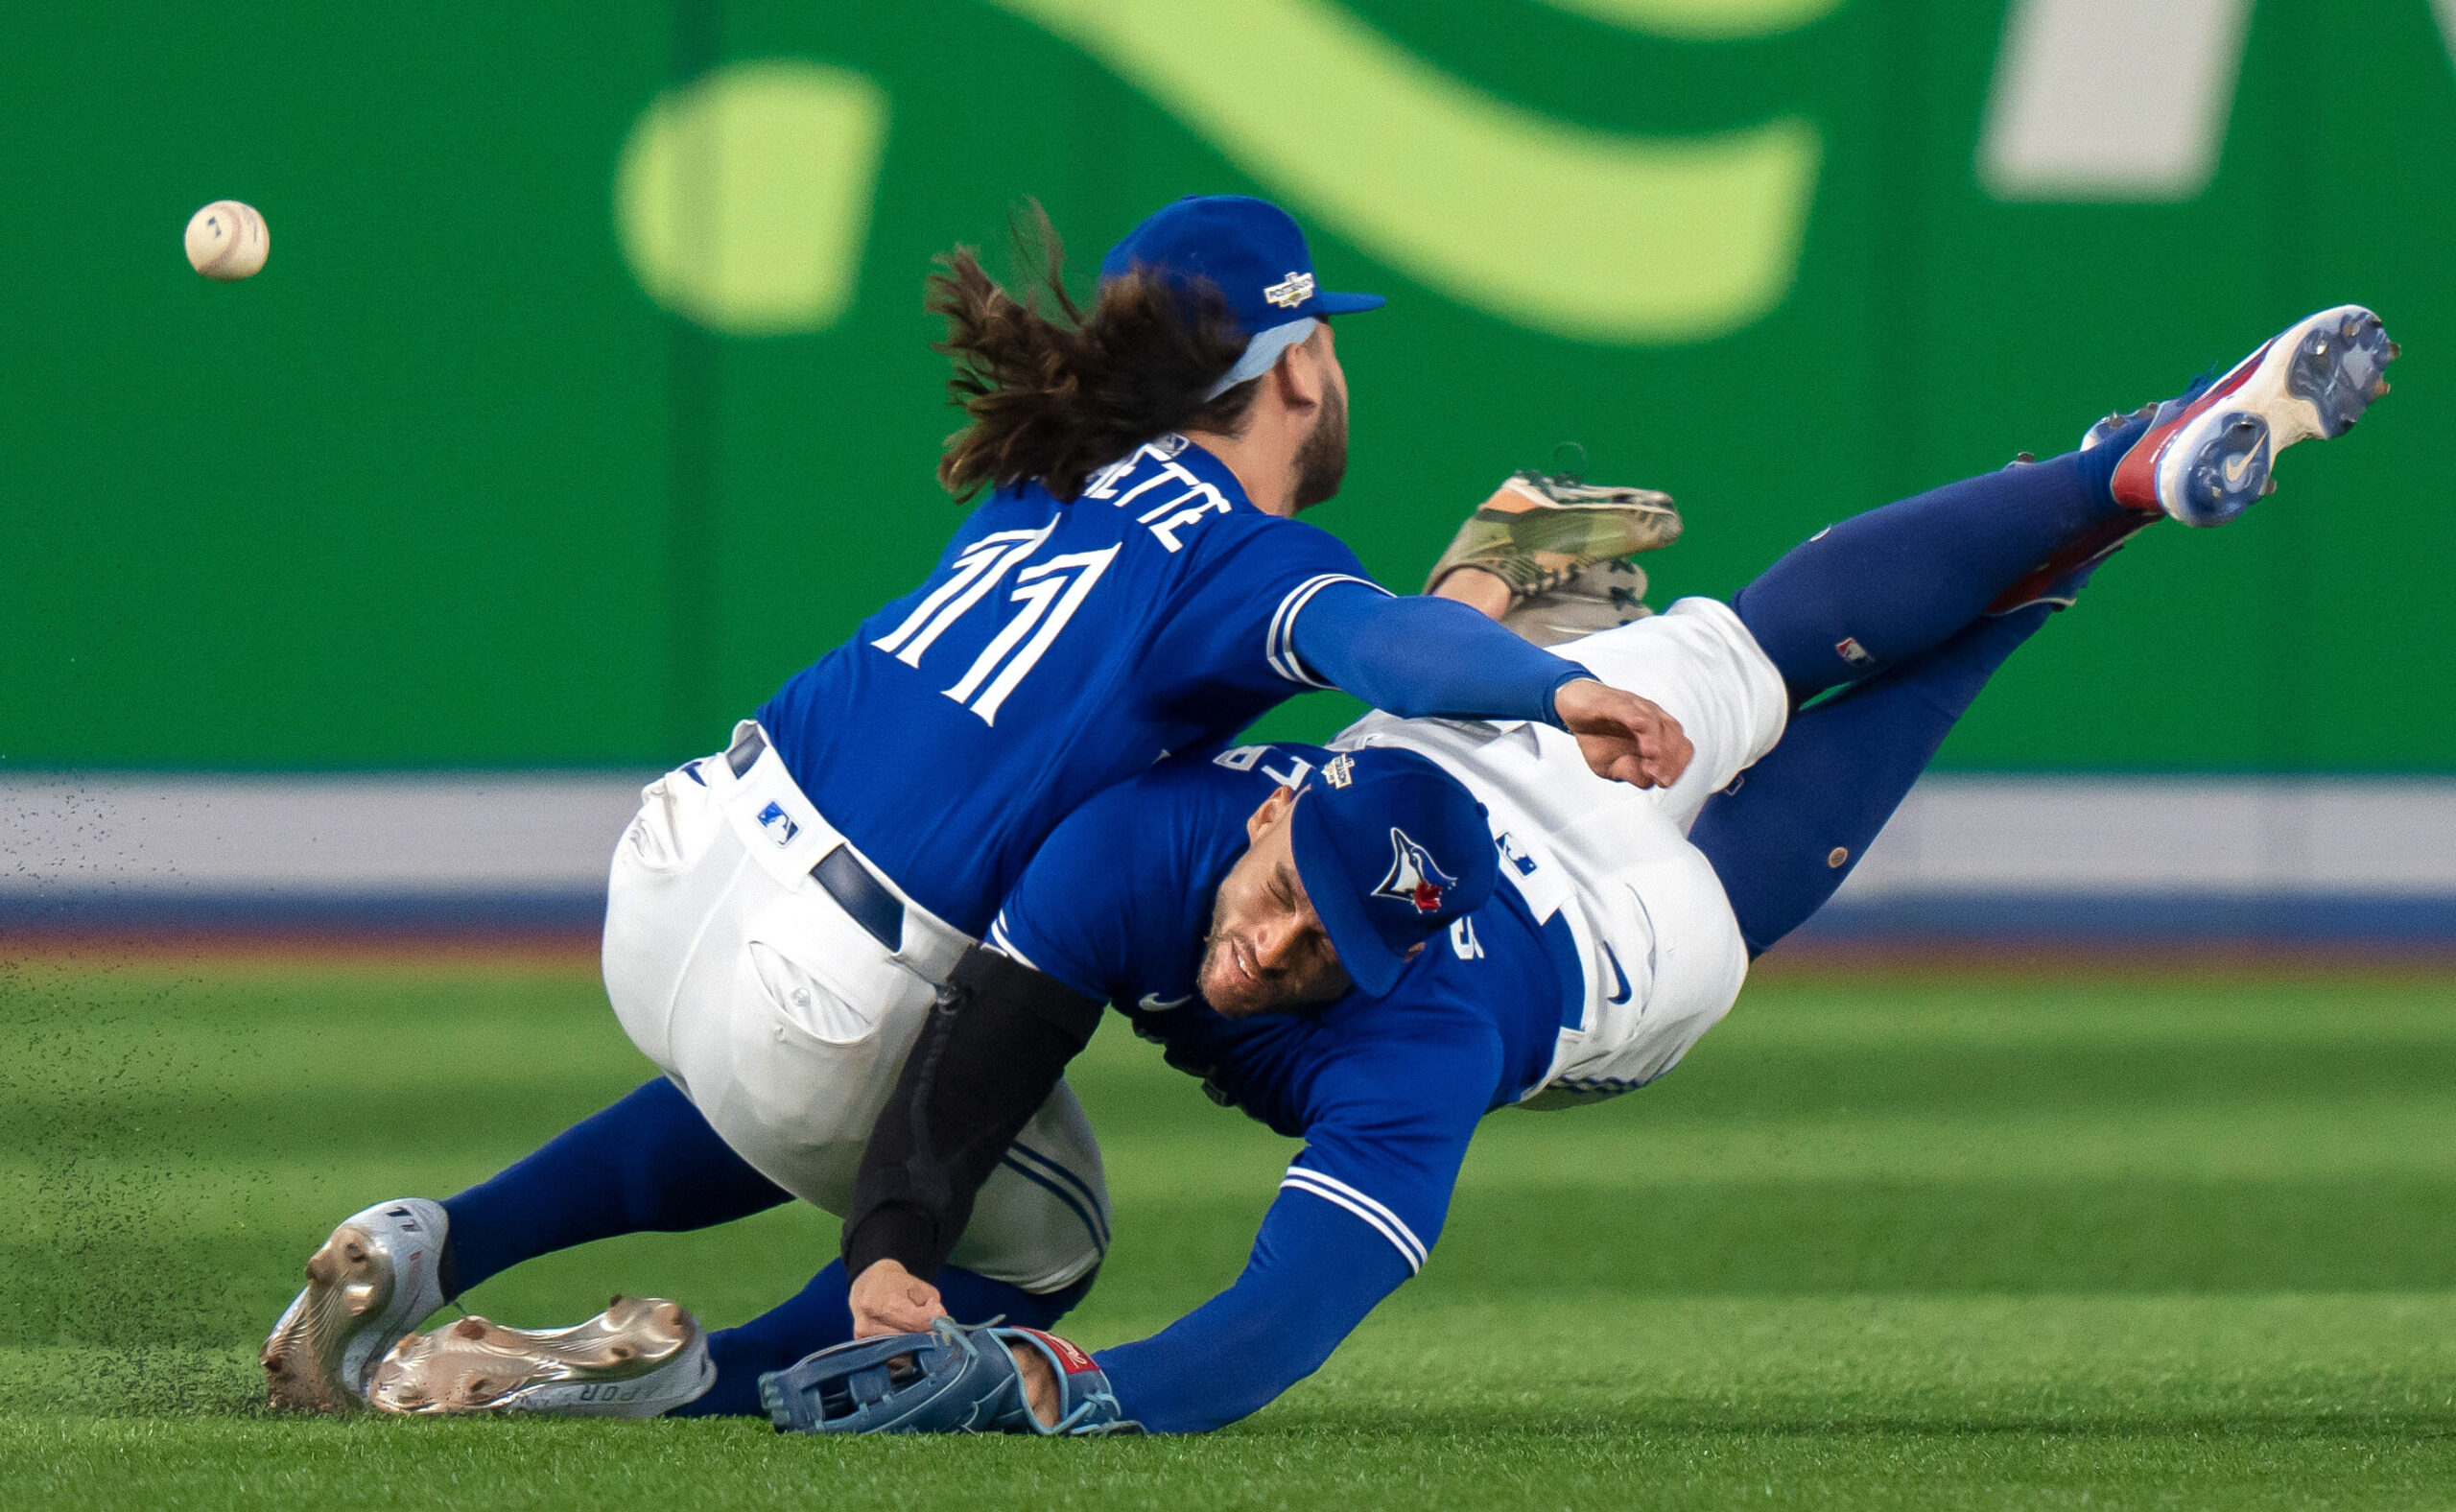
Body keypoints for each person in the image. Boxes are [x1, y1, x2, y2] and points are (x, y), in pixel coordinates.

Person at [340, 305, 2397, 1427]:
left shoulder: (1415, 1016)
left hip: (1608, 926)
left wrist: (1079, 1387)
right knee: (1789, 646)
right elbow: (979, 1047)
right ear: (1266, 800)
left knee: (1831, 695)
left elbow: (1288, 1303)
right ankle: (2100, 485)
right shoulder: (1184, 838)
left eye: (1295, 954)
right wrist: (928, 1254)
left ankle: (2097, 500)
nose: (1250, 960)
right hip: (1488, 731)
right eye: (1270, 901)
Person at [259, 193, 1689, 1414]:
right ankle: (672, 1382)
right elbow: (1381, 649)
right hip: (831, 972)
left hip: (684, 863)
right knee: (1038, 1247)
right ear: (1301, 366)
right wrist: (1546, 685)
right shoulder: (1241, 560)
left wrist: (1483, 588)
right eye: (1326, 343)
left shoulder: (1041, 481)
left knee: (810, 1085)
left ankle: (433, 1242)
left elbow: (1387, 644)